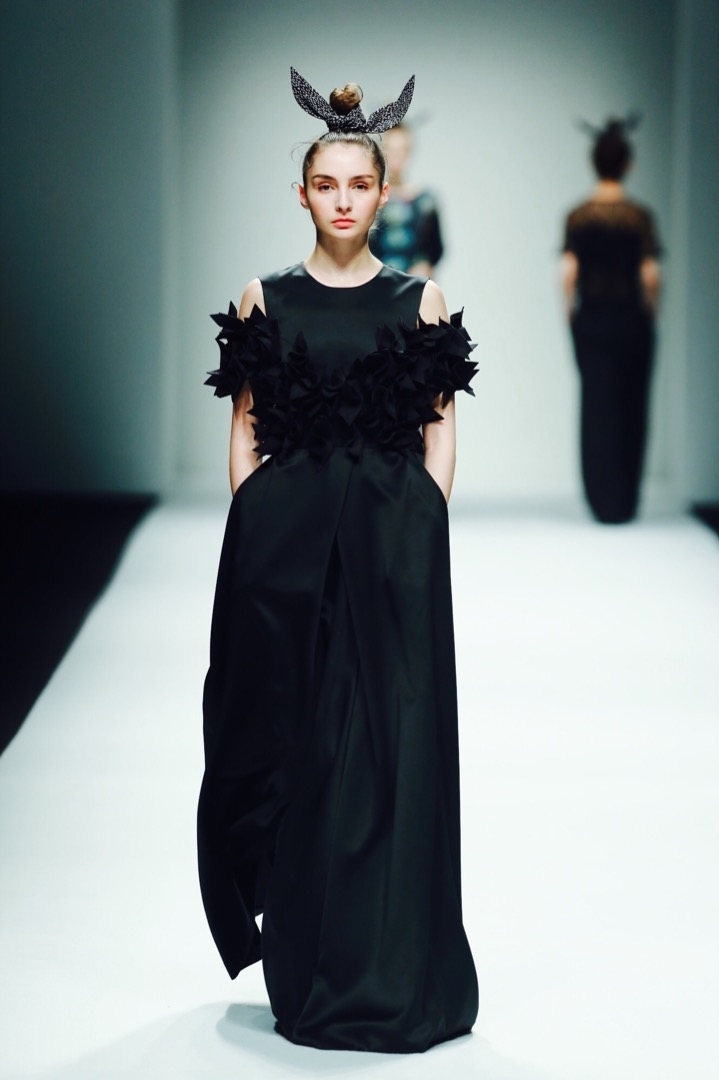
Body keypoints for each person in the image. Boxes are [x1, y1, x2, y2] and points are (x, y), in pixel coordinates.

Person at [197, 68, 479, 1054]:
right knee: (294, 741)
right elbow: (244, 428)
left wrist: (420, 526)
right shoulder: (264, 297)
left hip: (390, 549)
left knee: (388, 747)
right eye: (328, 185)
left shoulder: (419, 300)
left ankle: (391, 966)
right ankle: (307, 960)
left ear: (383, 191)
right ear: (304, 193)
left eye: (360, 185)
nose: (345, 201)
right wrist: (257, 522)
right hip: (284, 553)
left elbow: (439, 429)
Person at [560, 116, 662, 524]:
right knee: (632, 405)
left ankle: (600, 501)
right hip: (631, 319)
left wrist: (570, 316)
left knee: (597, 406)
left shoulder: (578, 216)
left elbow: (568, 274)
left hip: (592, 320)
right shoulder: (640, 217)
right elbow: (650, 274)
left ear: (594, 163)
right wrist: (651, 314)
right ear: (627, 164)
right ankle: (625, 502)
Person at [370, 122, 444, 276]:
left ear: (409, 152)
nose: (396, 157)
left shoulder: (426, 202)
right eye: (391, 150)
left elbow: (435, 251)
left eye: (401, 150)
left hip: (415, 285)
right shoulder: (369, 200)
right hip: (376, 284)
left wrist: (424, 270)